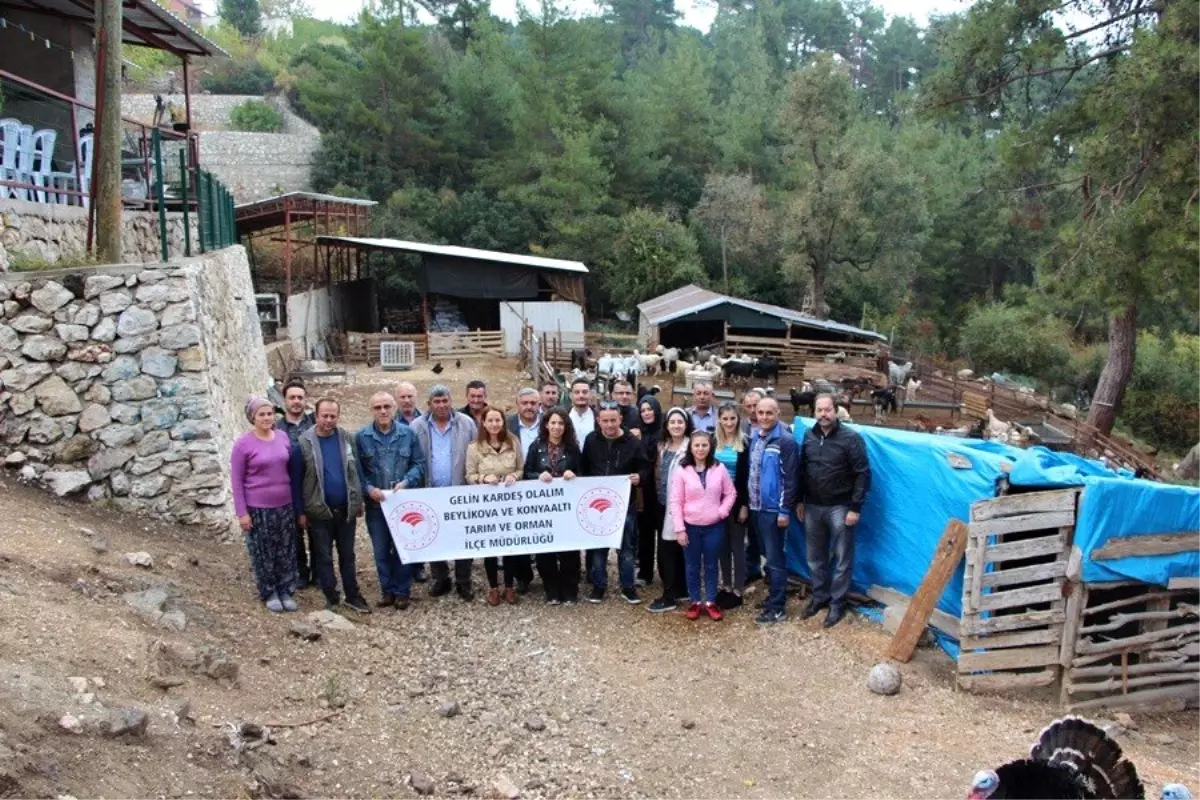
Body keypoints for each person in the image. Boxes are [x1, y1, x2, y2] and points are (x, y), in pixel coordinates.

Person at [796, 394, 871, 628]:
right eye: (819, 410)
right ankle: (820, 596)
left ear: (836, 411)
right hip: (813, 506)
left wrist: (855, 507)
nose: (823, 414)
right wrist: (800, 500)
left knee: (841, 558)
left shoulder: (851, 438)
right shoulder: (809, 436)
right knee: (815, 557)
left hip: (840, 507)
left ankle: (837, 603)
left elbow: (863, 473)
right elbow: (802, 470)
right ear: (814, 412)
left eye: (828, 410)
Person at [296, 399, 371, 614]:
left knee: (348, 556)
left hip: (345, 510)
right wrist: (301, 512)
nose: (329, 420)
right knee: (324, 557)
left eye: (333, 416)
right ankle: (331, 597)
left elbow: (355, 470)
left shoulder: (346, 438)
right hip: (319, 512)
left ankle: (353, 595)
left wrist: (357, 501)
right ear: (316, 416)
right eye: (324, 416)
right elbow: (298, 480)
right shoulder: (304, 444)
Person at [232, 397, 303, 614]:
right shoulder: (243, 444)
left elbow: (290, 469)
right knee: (264, 552)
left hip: (285, 504)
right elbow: (236, 480)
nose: (266, 418)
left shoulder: (282, 437)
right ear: (253, 417)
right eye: (261, 414)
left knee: (286, 550)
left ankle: (285, 589)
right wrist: (242, 513)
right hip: (258, 507)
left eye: (270, 413)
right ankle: (269, 591)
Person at [355, 391, 425, 610]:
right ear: (371, 410)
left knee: (404, 547)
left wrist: (406, 482)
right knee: (381, 549)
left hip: (402, 503)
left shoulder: (408, 434)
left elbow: (419, 463)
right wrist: (368, 488)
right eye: (378, 407)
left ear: (394, 407)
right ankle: (387, 590)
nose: (383, 411)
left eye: (387, 406)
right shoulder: (361, 437)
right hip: (377, 505)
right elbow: (357, 471)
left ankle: (402, 590)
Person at [411, 386, 478, 601]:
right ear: (429, 404)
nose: (441, 405)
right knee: (434, 536)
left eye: (445, 401)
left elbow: (477, 453)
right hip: (431, 492)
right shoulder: (417, 426)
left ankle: (463, 581)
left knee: (463, 537)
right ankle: (441, 578)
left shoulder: (467, 423)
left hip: (460, 491)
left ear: (451, 401)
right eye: (436, 401)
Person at [580, 401, 648, 604]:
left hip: (624, 503)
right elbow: (583, 467)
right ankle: (599, 585)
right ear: (598, 421)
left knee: (627, 547)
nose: (609, 425)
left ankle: (628, 586)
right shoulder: (591, 440)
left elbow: (644, 467)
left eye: (613, 420)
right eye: (605, 421)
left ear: (620, 419)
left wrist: (639, 477)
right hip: (597, 502)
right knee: (599, 546)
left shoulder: (633, 442)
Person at [670, 432, 737, 621]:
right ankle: (694, 601)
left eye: (704, 445)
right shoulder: (682, 470)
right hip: (690, 526)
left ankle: (711, 601)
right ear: (691, 448)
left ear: (710, 447)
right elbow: (675, 501)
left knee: (710, 564)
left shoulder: (719, 468)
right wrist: (680, 528)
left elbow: (730, 493)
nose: (700, 449)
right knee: (691, 565)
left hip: (713, 526)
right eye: (697, 445)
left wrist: (721, 512)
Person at [467, 406, 529, 605]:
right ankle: (493, 586)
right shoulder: (474, 447)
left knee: (510, 545)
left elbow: (521, 468)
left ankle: (509, 586)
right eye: (490, 420)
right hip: (487, 505)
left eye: (498, 420)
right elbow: (469, 475)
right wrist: (484, 478)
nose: (494, 424)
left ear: (503, 422)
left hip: (511, 503)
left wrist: (514, 475)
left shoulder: (513, 442)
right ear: (483, 423)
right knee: (491, 547)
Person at [524, 407, 583, 605]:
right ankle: (551, 591)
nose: (557, 427)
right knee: (545, 551)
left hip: (567, 509)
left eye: (561, 423)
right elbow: (526, 473)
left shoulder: (573, 448)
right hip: (543, 509)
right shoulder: (536, 447)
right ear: (546, 425)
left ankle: (569, 591)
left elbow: (583, 474)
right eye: (553, 423)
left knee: (570, 551)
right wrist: (537, 476)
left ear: (566, 426)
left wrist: (573, 476)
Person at [747, 397, 799, 624]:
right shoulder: (756, 438)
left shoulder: (785, 441)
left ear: (777, 413)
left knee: (776, 559)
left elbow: (791, 479)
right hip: (755, 506)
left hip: (772, 509)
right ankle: (772, 598)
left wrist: (784, 510)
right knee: (767, 557)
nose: (764, 417)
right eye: (761, 413)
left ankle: (778, 607)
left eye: (769, 413)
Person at [647, 407, 691, 613]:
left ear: (686, 424)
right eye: (672, 422)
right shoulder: (662, 446)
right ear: (666, 425)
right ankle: (678, 589)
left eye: (680, 422)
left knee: (670, 551)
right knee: (668, 549)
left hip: (681, 506)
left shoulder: (691, 447)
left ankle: (670, 595)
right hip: (662, 502)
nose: (676, 426)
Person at [275, 378, 315, 589]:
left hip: (315, 486)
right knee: (293, 533)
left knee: (317, 532)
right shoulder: (277, 429)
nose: (296, 401)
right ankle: (301, 571)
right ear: (285, 401)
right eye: (292, 398)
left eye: (300, 397)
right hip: (288, 486)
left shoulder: (316, 424)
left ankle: (319, 571)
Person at [713, 402, 751, 610]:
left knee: (737, 545)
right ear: (719, 419)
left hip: (736, 500)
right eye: (725, 418)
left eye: (732, 418)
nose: (729, 422)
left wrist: (744, 504)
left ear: (738, 420)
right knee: (722, 545)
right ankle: (725, 585)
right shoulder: (713, 442)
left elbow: (747, 477)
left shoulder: (745, 443)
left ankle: (738, 589)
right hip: (716, 500)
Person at [635, 396, 664, 588]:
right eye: (643, 410)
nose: (646, 413)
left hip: (661, 490)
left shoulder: (664, 433)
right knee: (645, 534)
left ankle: (665, 572)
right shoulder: (637, 434)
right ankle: (645, 572)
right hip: (643, 491)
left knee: (663, 535)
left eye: (649, 409)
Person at [740, 388, 765, 583]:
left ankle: (772, 571)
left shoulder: (778, 427)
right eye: (748, 406)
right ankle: (751, 568)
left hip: (767, 487)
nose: (752, 409)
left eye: (755, 405)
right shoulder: (741, 428)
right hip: (747, 485)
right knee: (750, 531)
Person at [507, 387, 542, 456]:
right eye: (524, 403)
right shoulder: (507, 425)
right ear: (517, 405)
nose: (529, 407)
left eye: (533, 403)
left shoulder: (548, 424)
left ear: (539, 405)